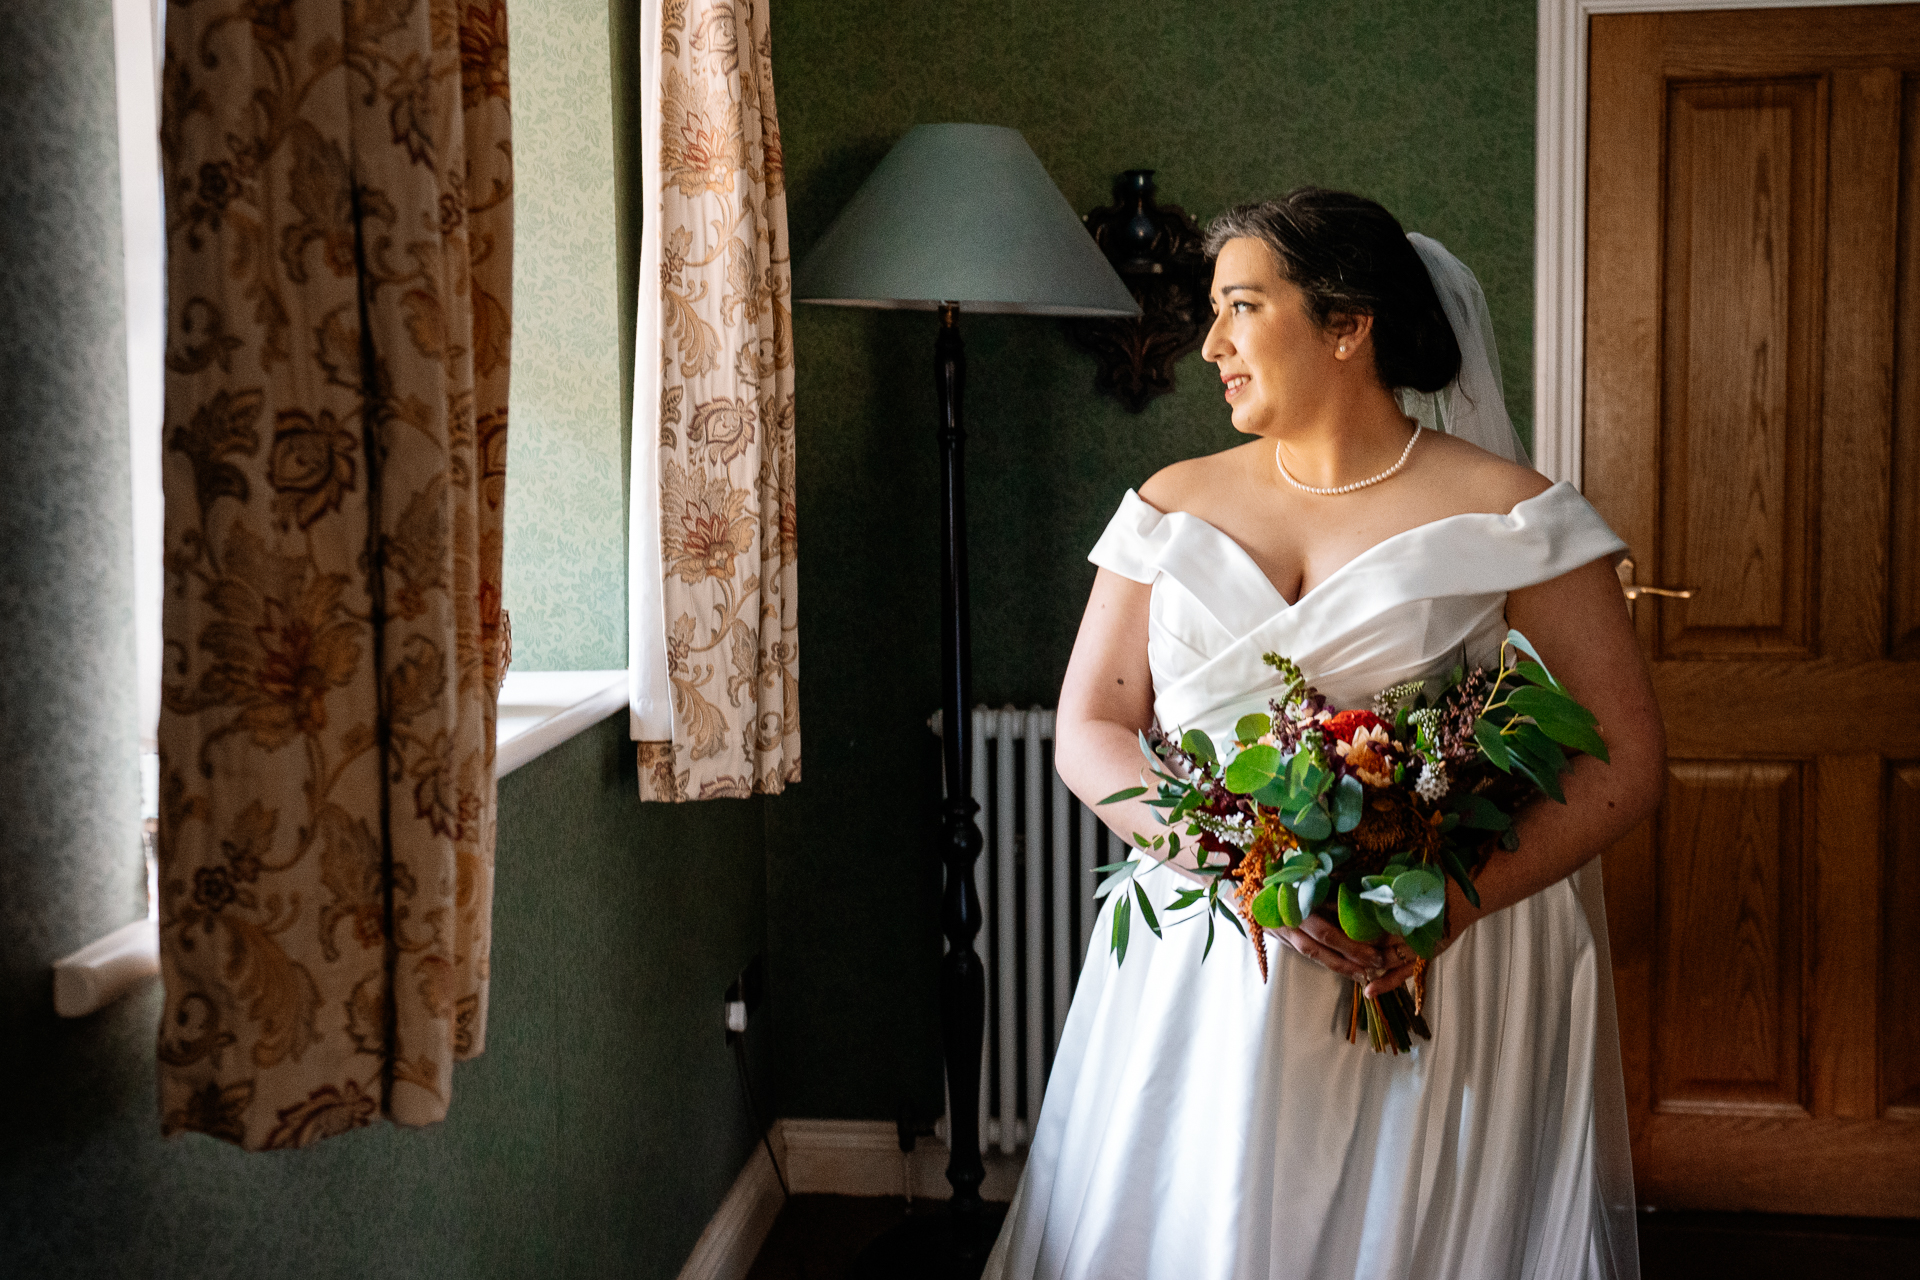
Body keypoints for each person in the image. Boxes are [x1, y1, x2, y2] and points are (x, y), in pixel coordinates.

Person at [981, 189, 1664, 1280]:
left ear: (1349, 326)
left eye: (1242, 308)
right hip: (1210, 954)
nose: (1211, 345)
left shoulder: (1515, 516)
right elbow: (1091, 725)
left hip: (1425, 970)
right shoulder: (1168, 505)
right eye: (1213, 311)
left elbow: (1627, 760)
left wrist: (1448, 902)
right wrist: (1246, 871)